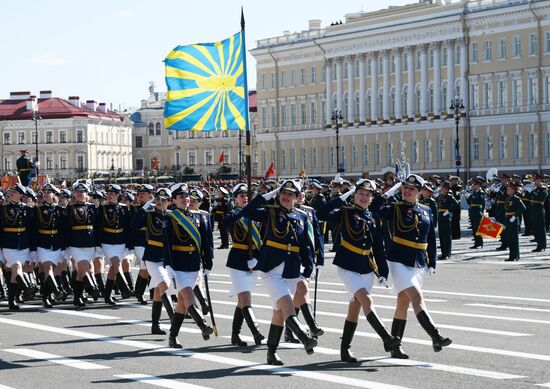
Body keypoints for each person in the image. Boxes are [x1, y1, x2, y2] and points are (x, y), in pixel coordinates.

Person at [317, 179, 400, 362]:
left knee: (355, 307)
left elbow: (378, 247)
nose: (363, 197)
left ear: (372, 198)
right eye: (360, 194)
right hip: (347, 265)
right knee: (366, 300)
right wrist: (341, 198)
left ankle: (344, 349)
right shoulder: (345, 212)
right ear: (354, 195)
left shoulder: (373, 217)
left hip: (366, 268)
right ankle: (386, 338)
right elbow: (321, 214)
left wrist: (383, 272)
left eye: (368, 195)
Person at [241, 179, 317, 365]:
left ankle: (271, 353)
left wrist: (309, 265)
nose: (285, 197)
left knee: (278, 313)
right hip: (271, 269)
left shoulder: (302, 216)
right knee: (287, 305)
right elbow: (247, 211)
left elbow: (305, 244)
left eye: (290, 194)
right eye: (283, 193)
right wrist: (264, 196)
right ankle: (304, 337)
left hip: (291, 269)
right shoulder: (270, 211)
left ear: (297, 197)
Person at [380, 174, 452, 358]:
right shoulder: (394, 208)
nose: (407, 191)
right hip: (398, 260)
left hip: (418, 261)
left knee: (402, 303)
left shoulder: (427, 209)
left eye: (412, 189)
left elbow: (430, 237)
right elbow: (375, 208)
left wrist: (432, 261)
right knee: (416, 297)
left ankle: (395, 346)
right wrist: (389, 192)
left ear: (419, 192)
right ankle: (435, 335)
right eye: (405, 187)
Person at [165, 183, 214, 348]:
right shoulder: (170, 218)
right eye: (181, 197)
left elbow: (206, 242)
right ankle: (203, 325)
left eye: (187, 196)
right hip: (177, 265)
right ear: (173, 200)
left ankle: (172, 337)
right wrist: (168, 266)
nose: (186, 199)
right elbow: (166, 243)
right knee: (187, 295)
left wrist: (208, 262)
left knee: (181, 304)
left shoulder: (197, 217)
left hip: (194, 264)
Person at [222, 183, 265, 347]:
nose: (245, 197)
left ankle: (235, 335)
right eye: (241, 196)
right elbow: (227, 222)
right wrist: (245, 211)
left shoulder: (256, 215)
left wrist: (260, 258)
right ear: (235, 199)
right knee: (245, 298)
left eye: (247, 195)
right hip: (238, 261)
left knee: (242, 301)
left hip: (255, 260)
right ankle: (257, 332)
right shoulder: (232, 214)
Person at [283, 185, 325, 343]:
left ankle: (290, 330)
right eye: (297, 194)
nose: (300, 196)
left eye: (301, 193)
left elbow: (317, 234)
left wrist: (319, 257)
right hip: (293, 256)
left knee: (299, 294)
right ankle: (309, 325)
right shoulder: (287, 212)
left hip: (307, 256)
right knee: (300, 291)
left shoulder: (309, 211)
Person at [132, 187, 174, 334]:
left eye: (163, 199)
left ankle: (155, 325)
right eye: (157, 199)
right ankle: (173, 318)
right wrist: (144, 208)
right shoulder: (148, 215)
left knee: (158, 290)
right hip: (152, 257)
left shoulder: (172, 216)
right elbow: (134, 225)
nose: (159, 201)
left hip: (167, 258)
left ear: (169, 202)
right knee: (165, 285)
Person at [95, 184, 132, 304]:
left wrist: (128, 244)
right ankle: (124, 287)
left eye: (112, 194)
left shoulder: (124, 208)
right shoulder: (102, 208)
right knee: (116, 262)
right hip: (107, 241)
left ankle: (107, 295)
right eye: (108, 194)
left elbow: (127, 227)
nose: (109, 196)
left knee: (113, 268)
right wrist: (98, 244)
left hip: (120, 240)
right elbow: (98, 227)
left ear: (117, 195)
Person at [31, 183, 67, 307]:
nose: (46, 195)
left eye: (49, 192)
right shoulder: (37, 210)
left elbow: (63, 230)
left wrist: (63, 248)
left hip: (56, 243)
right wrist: (33, 249)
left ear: (54, 195)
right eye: (44, 193)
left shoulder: (60, 210)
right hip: (42, 243)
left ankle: (47, 296)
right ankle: (55, 291)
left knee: (54, 269)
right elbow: (33, 230)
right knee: (48, 268)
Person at [1, 184, 35, 310]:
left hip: (23, 245)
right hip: (9, 244)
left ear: (21, 195)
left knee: (15, 273)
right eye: (11, 192)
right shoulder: (3, 208)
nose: (12, 194)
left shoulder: (28, 209)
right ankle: (26, 287)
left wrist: (32, 250)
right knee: (16, 266)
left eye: (15, 192)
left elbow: (32, 230)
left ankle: (11, 300)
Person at [65, 182, 99, 307]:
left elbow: (97, 226)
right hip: (75, 243)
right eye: (77, 192)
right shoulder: (69, 209)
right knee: (83, 265)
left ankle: (77, 297)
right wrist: (66, 246)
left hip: (89, 242)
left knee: (81, 271)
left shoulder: (92, 208)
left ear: (87, 194)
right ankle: (92, 287)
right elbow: (66, 228)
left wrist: (98, 244)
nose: (79, 194)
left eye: (82, 192)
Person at [130, 184, 155, 304]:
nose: (140, 196)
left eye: (143, 194)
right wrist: (144, 208)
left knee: (145, 268)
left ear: (150, 194)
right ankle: (141, 294)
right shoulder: (135, 208)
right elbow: (134, 225)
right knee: (146, 265)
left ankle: (140, 292)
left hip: (153, 241)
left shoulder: (156, 207)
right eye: (139, 194)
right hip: (140, 241)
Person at [504, 182, 526, 261]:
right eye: (507, 189)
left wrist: (515, 216)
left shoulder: (516, 199)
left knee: (514, 239)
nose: (507, 190)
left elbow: (523, 208)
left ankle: (515, 256)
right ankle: (511, 256)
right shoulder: (507, 198)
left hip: (513, 220)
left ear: (513, 190)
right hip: (508, 219)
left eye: (509, 189)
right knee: (509, 238)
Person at [436, 181, 458, 260]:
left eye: (443, 187)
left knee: (447, 236)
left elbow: (456, 203)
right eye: (441, 187)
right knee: (441, 236)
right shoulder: (440, 196)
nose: (441, 188)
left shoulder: (449, 196)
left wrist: (448, 211)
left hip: (446, 216)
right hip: (441, 216)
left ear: (446, 189)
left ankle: (447, 253)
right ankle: (443, 253)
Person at [529, 174, 548, 252]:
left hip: (539, 210)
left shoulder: (544, 189)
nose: (535, 182)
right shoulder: (536, 189)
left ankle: (542, 245)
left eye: (536, 180)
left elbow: (540, 198)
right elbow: (529, 197)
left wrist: (532, 191)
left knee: (540, 229)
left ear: (540, 181)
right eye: (535, 180)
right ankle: (539, 244)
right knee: (536, 228)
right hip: (534, 210)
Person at [466, 177, 486, 249]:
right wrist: (467, 196)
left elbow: (477, 200)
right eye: (474, 185)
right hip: (472, 210)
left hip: (477, 210)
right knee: (474, 227)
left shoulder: (481, 192)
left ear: (479, 185)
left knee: (478, 227)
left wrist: (470, 196)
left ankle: (480, 242)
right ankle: (476, 242)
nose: (474, 186)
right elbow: (469, 202)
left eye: (476, 185)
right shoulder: (474, 192)